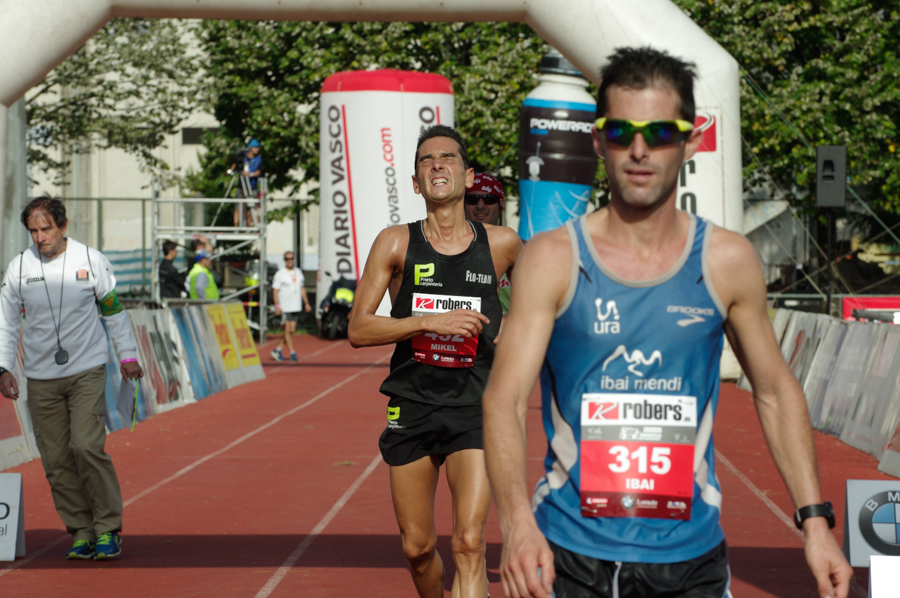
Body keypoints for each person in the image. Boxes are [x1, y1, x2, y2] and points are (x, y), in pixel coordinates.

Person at [482, 47, 852, 598]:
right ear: (597, 140)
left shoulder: (726, 261)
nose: (638, 150)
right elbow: (504, 398)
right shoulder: (552, 258)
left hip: (689, 561)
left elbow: (775, 390)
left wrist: (815, 523)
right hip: (569, 555)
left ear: (690, 141)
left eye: (659, 133)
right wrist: (516, 524)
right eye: (620, 132)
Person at [348, 124, 522, 598]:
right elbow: (358, 329)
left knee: (469, 543)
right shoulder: (395, 242)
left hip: (477, 406)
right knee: (418, 548)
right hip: (413, 403)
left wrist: (515, 326)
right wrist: (428, 322)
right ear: (415, 182)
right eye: (427, 159)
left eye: (448, 158)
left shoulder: (503, 244)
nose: (437, 164)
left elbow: (537, 307)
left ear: (468, 176)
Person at [0, 194, 143, 561]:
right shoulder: (18, 268)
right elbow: (7, 323)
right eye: (33, 231)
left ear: (63, 226)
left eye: (46, 229)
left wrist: (127, 356)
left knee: (85, 447)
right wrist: (3, 367)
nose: (40, 238)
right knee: (56, 459)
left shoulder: (91, 260)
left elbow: (113, 312)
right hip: (40, 377)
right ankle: (81, 530)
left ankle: (107, 528)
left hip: (87, 371)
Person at [464, 173, 511, 314]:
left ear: (500, 205)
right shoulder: (449, 247)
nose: (480, 205)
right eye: (472, 199)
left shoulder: (521, 248)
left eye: (489, 199)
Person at [271, 251, 311, 362]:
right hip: (284, 306)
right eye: (287, 259)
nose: (290, 260)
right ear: (284, 260)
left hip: (295, 306)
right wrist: (277, 306)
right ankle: (292, 352)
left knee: (291, 330)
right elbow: (275, 291)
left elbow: (302, 288)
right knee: (287, 329)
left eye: (292, 258)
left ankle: (278, 349)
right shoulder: (280, 274)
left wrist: (306, 303)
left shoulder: (298, 272)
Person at [231, 138, 263, 226]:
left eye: (258, 147)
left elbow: (258, 172)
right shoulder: (242, 157)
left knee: (251, 207)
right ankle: (236, 226)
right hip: (241, 185)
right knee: (237, 206)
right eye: (255, 147)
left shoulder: (259, 159)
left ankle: (248, 225)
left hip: (252, 186)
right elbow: (235, 165)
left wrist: (249, 174)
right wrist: (231, 171)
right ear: (250, 148)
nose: (257, 149)